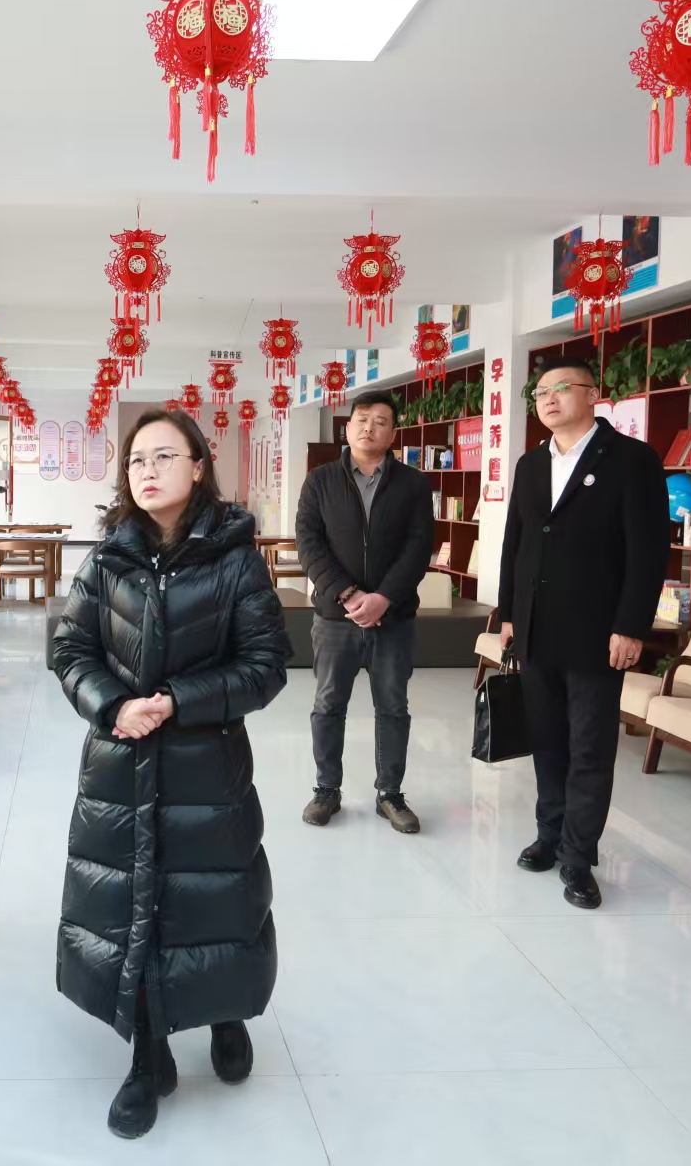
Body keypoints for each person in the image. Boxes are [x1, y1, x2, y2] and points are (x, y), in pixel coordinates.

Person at [50, 408, 288, 1140]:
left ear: (198, 466)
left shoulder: (236, 558)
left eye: (163, 456)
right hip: (119, 763)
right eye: (135, 461)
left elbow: (266, 665)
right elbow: (69, 649)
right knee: (132, 905)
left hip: (204, 766)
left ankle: (225, 1012)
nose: (146, 471)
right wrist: (113, 705)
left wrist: (179, 701)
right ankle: (146, 1052)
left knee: (214, 901)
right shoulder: (108, 558)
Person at [498, 358, 669, 910]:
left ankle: (578, 855)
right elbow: (516, 543)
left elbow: (648, 551)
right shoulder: (530, 463)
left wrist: (630, 625)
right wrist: (508, 614)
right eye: (540, 393)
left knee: (590, 748)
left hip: (598, 632)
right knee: (547, 741)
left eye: (561, 388)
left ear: (594, 394)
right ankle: (548, 836)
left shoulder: (632, 460)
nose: (548, 399)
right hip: (535, 629)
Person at [294, 390, 435, 833]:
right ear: (348, 426)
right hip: (335, 618)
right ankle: (326, 790)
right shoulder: (320, 481)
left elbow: (418, 547)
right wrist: (349, 594)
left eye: (380, 421)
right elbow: (308, 543)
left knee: (393, 706)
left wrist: (383, 598)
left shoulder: (413, 484)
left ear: (393, 433)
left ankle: (389, 794)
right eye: (361, 419)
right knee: (328, 704)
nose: (368, 427)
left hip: (393, 619)